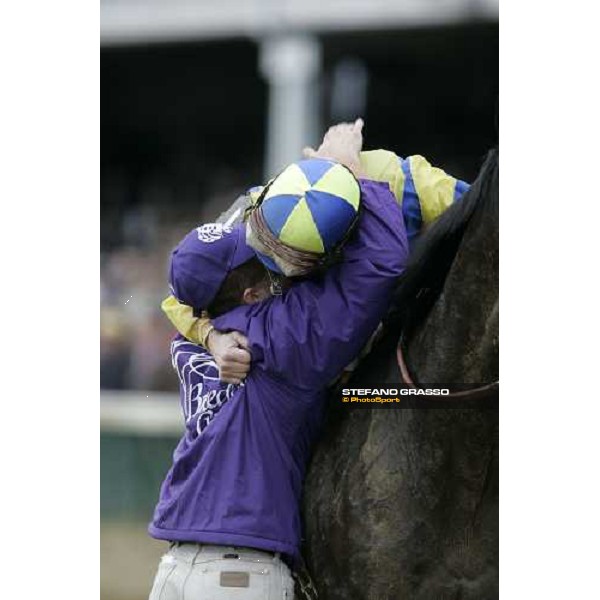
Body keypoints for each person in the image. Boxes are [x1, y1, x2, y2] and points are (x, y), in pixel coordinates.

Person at [147, 122, 409, 599]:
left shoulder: (194, 338)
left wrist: (209, 334)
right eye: (262, 256)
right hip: (240, 575)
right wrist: (350, 172)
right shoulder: (278, 336)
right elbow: (379, 264)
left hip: (175, 570)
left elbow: (179, 306)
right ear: (250, 293)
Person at [162, 122, 470, 383]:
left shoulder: (415, 187)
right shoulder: (255, 206)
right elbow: (178, 297)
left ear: (334, 251)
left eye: (285, 264)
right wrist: (212, 339)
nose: (272, 272)